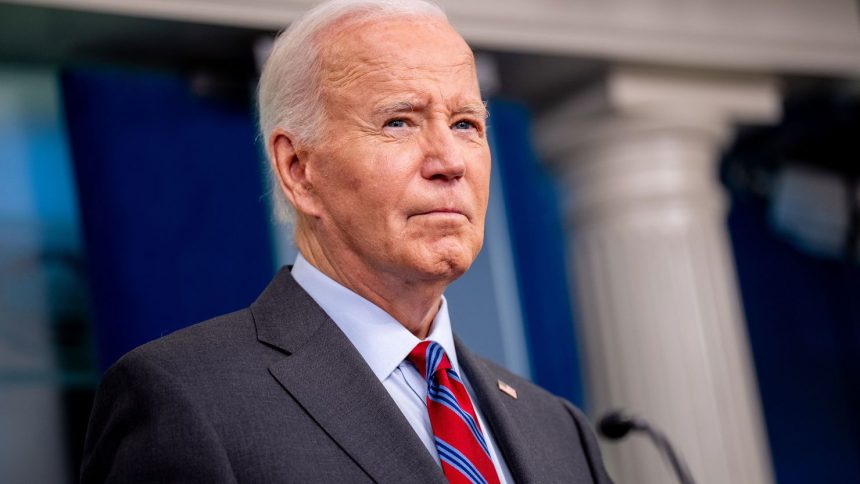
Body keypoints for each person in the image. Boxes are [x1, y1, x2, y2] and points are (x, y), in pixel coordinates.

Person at [80, 0, 612, 482]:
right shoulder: (185, 400)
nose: (450, 161)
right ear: (298, 169)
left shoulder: (558, 429)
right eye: (399, 122)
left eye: (466, 124)